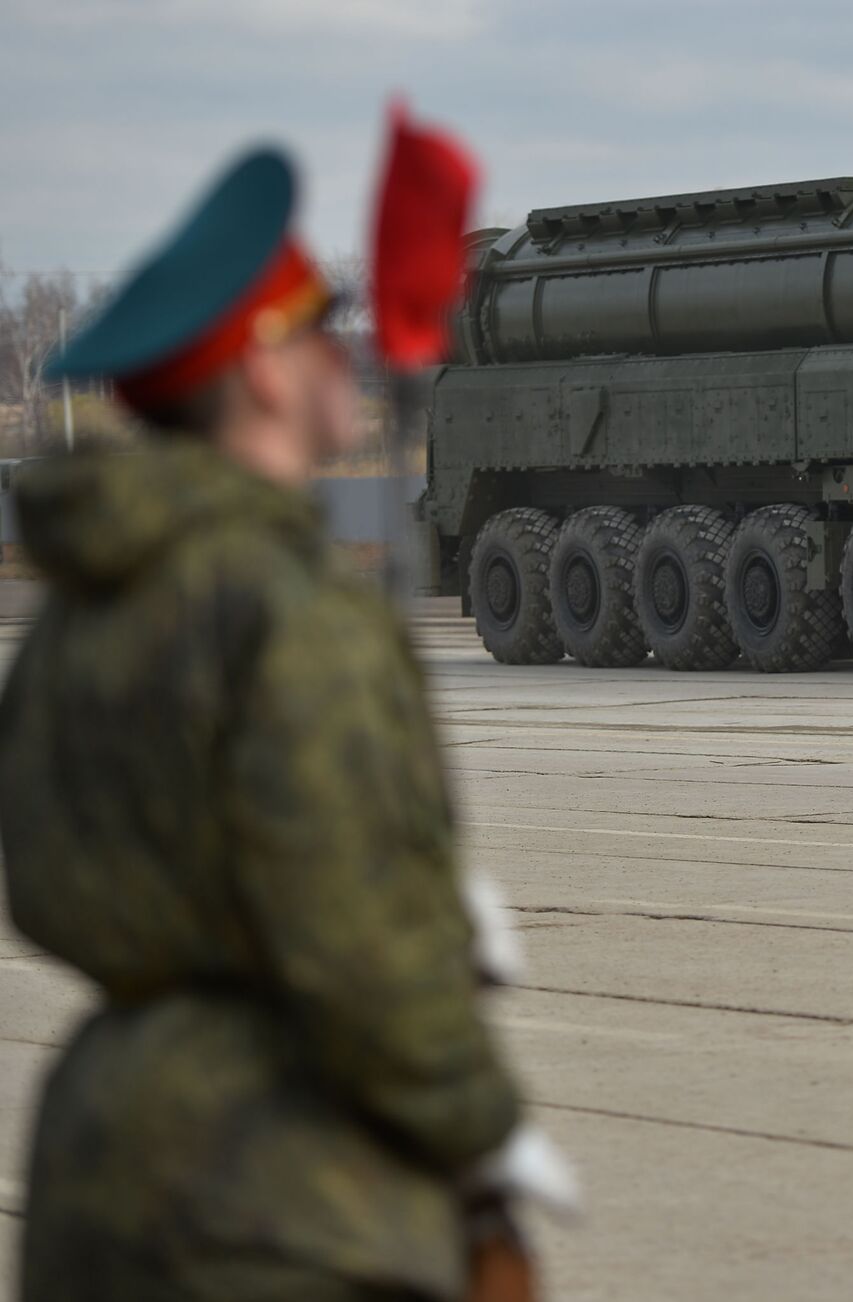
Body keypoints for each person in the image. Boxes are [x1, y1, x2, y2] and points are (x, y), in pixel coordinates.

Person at [0, 147, 539, 1301]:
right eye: (312, 331)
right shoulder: (286, 610)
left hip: (94, 1146)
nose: (340, 355)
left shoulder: (76, 612)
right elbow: (360, 943)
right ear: (257, 371)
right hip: (280, 1188)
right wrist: (483, 1138)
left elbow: (45, 883)